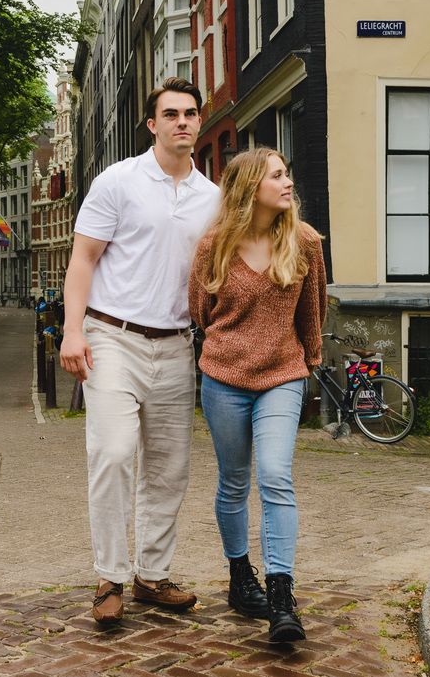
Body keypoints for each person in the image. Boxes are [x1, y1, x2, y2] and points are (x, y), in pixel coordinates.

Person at [60, 77, 221, 624]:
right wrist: (72, 331)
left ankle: (152, 575)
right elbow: (82, 259)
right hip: (113, 338)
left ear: (200, 122)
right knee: (111, 454)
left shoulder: (214, 199)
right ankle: (109, 578)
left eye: (190, 113)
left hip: (177, 344)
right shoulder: (118, 182)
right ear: (152, 124)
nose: (182, 121)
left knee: (170, 467)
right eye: (170, 113)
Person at [188, 147, 326, 643]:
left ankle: (282, 595)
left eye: (288, 173)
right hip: (223, 379)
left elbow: (313, 312)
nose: (289, 183)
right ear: (250, 188)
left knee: (275, 476)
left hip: (283, 377)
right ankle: (239, 576)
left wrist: (308, 361)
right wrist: (230, 351)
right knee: (233, 481)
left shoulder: (305, 242)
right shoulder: (214, 247)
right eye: (278, 176)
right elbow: (201, 313)